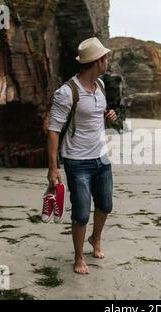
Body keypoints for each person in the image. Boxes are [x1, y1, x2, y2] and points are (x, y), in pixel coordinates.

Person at [46, 37, 118, 275]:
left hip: (101, 157)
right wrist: (53, 167)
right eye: (105, 58)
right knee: (80, 212)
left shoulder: (101, 86)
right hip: (77, 161)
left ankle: (95, 239)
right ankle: (78, 257)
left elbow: (98, 113)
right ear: (98, 61)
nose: (107, 61)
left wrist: (110, 116)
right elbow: (54, 130)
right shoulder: (66, 92)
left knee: (105, 205)